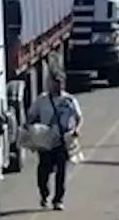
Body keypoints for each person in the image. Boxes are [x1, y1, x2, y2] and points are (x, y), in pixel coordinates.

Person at [25, 72, 83, 210]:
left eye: (60, 82)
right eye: (54, 82)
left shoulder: (69, 100)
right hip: (46, 141)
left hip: (63, 140)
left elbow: (79, 117)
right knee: (44, 170)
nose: (57, 85)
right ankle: (44, 195)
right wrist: (31, 130)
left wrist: (76, 130)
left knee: (61, 171)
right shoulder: (42, 100)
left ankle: (58, 200)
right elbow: (32, 115)